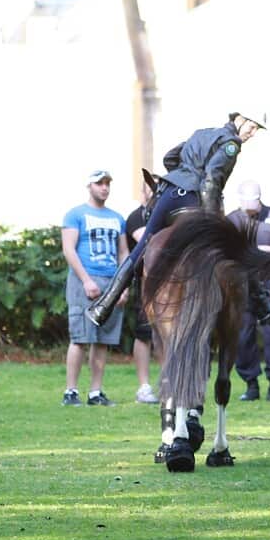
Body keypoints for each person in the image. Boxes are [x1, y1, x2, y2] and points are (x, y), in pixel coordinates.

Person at [86, 110, 267, 327]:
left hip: (168, 195)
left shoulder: (202, 133)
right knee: (237, 250)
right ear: (240, 119)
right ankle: (264, 309)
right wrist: (211, 224)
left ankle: (102, 307)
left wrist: (181, 177)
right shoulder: (231, 144)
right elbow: (210, 182)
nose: (253, 132)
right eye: (253, 126)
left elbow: (170, 157)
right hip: (194, 199)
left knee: (141, 249)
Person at [61, 169, 128, 408]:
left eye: (108, 183)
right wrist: (86, 280)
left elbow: (123, 252)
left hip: (110, 281)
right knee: (80, 337)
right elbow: (69, 249)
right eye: (100, 183)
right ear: (89, 186)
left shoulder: (117, 218)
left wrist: (122, 286)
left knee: (103, 340)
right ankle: (71, 391)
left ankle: (95, 392)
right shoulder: (75, 215)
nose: (105, 188)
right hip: (84, 281)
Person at [226, 180, 270, 402]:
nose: (251, 206)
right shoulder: (232, 221)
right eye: (247, 202)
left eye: (254, 202)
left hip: (269, 284)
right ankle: (251, 384)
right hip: (241, 285)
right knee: (242, 334)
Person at [123, 169, 159, 404]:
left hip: (170, 283)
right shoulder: (137, 216)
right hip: (147, 284)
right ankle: (144, 386)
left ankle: (169, 383)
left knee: (167, 336)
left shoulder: (167, 217)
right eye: (152, 187)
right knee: (144, 334)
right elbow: (148, 240)